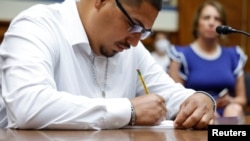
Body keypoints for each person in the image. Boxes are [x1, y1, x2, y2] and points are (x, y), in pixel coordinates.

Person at [0, 0, 215, 130]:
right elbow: (26, 106)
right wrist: (128, 111)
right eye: (133, 26)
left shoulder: (131, 49)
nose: (135, 41)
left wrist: (201, 100)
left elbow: (171, 96)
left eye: (144, 32)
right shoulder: (37, 26)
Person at [168, 0, 247, 117]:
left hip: (227, 114)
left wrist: (231, 101)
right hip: (197, 113)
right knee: (209, 115)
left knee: (234, 110)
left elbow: (242, 99)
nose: (211, 23)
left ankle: (225, 134)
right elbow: (174, 96)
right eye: (206, 18)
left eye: (217, 19)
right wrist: (207, 106)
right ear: (197, 23)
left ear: (223, 26)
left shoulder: (233, 55)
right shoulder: (181, 55)